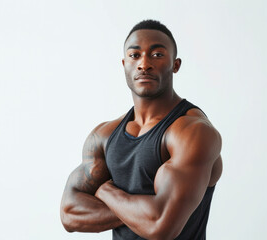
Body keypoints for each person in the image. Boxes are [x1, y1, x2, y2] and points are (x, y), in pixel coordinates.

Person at [60, 19, 223, 240]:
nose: (144, 63)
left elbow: (160, 225)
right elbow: (69, 213)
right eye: (135, 55)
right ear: (124, 64)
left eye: (157, 55)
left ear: (175, 65)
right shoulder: (105, 135)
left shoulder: (192, 132)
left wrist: (106, 191)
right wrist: (139, 212)